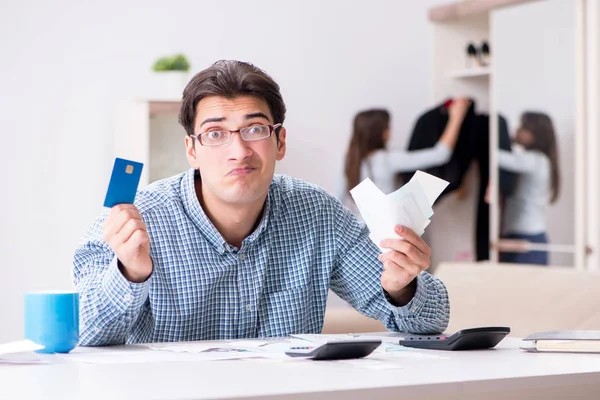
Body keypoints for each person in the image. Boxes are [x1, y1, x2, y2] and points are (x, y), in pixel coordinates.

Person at [73, 60, 450, 346]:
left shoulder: (319, 215)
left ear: (280, 142)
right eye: (216, 133)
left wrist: (402, 288)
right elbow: (83, 333)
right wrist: (131, 273)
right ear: (192, 149)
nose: (239, 151)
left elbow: (432, 322)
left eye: (255, 129)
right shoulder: (136, 219)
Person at [339, 99, 471, 211]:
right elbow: (440, 155)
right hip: (388, 233)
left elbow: (337, 199)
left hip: (359, 233)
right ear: (382, 134)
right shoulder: (387, 160)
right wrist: (456, 118)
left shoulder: (349, 160)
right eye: (388, 127)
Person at [497, 111, 560, 265]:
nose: (517, 130)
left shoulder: (536, 161)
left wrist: (499, 137)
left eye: (523, 128)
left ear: (536, 135)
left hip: (528, 237)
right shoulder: (533, 160)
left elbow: (495, 157)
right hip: (518, 234)